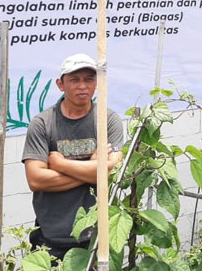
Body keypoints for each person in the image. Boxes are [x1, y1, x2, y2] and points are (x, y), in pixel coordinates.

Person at [22, 53, 123, 260]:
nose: (83, 86)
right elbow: (36, 179)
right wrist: (93, 167)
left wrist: (60, 164)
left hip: (95, 236)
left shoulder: (107, 120)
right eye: (74, 80)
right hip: (50, 235)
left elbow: (112, 171)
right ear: (61, 84)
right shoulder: (43, 123)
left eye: (89, 79)